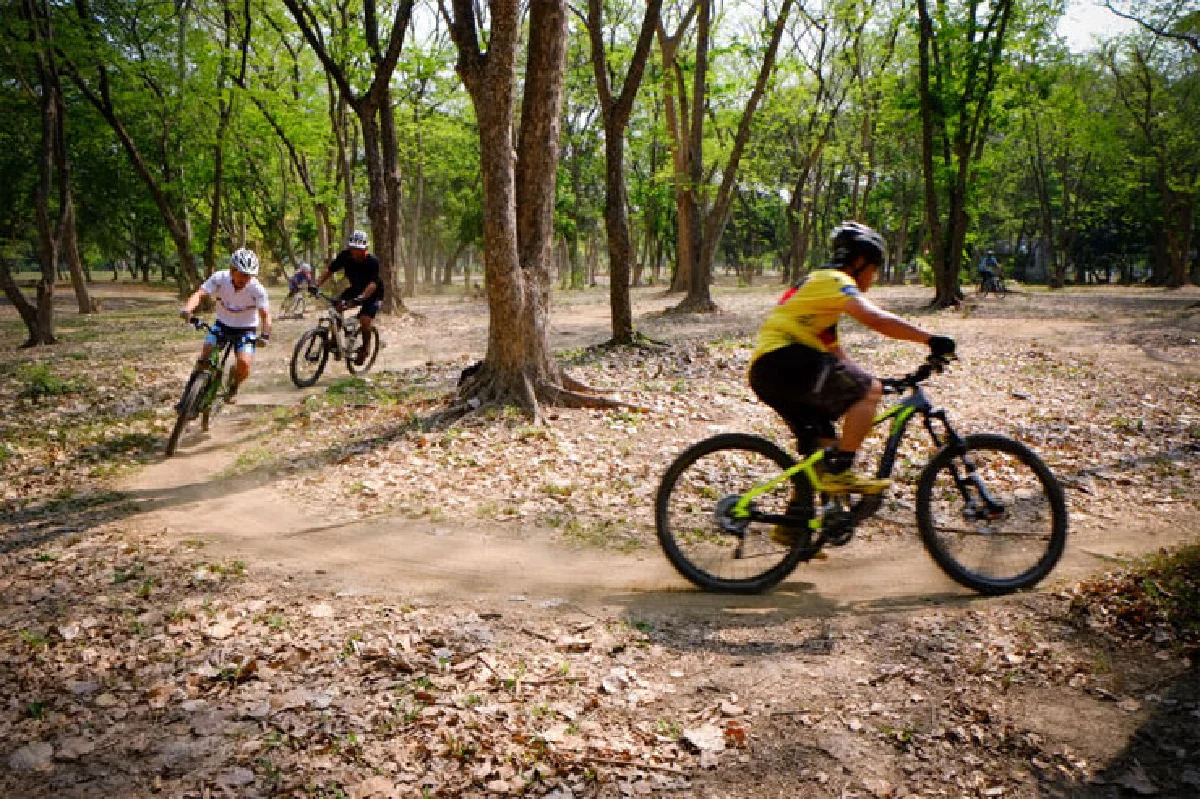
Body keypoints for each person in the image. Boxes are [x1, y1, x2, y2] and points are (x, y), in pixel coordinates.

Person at [748, 222, 955, 525]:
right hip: (784, 362)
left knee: (823, 448)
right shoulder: (833, 279)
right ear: (858, 263)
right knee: (861, 397)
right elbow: (875, 318)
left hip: (773, 372)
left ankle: (794, 528)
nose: (875, 275)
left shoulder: (819, 298)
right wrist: (929, 339)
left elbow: (836, 355)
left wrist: (875, 384)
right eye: (874, 267)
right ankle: (843, 470)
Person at [179, 248, 271, 404]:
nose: (244, 279)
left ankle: (234, 385)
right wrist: (188, 309)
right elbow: (200, 294)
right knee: (206, 352)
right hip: (222, 324)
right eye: (241, 274)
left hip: (246, 329)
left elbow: (265, 314)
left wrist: (265, 335)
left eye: (248, 276)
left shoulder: (257, 289)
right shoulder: (219, 278)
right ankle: (189, 394)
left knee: (244, 364)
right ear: (232, 270)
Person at [312, 230, 382, 365]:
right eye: (353, 249)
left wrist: (362, 297)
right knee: (336, 307)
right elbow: (330, 270)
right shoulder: (345, 256)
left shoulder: (373, 262)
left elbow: (373, 283)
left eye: (359, 250)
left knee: (365, 319)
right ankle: (336, 342)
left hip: (373, 293)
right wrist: (316, 285)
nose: (355, 253)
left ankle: (365, 349)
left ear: (365, 249)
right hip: (355, 290)